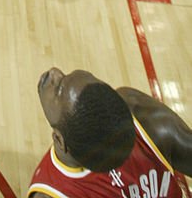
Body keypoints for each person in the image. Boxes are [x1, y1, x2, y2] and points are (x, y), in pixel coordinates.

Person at [28, 66, 192, 196]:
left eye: (59, 91)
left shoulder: (51, 192)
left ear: (59, 140)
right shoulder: (145, 116)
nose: (54, 73)